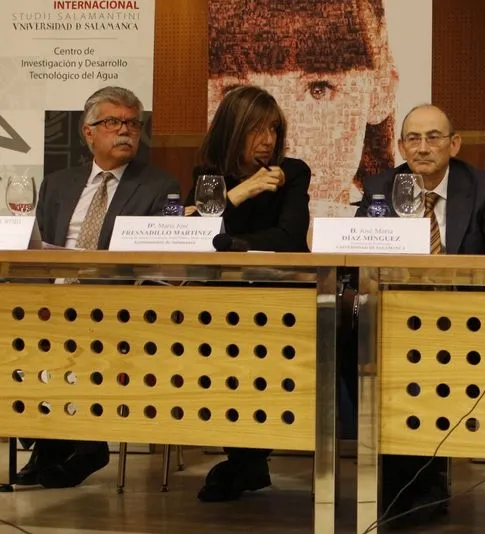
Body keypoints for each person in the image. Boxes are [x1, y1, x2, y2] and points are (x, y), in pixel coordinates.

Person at [355, 104, 485, 528]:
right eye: (413, 138)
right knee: (375, 353)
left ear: (454, 143)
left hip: (466, 322)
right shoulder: (380, 187)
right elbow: (356, 257)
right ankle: (400, 484)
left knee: (428, 361)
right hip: (395, 321)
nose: (423, 147)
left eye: (433, 137)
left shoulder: (482, 187)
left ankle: (421, 486)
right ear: (401, 145)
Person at [22, 86, 179, 489]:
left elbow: (155, 256)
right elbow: (36, 247)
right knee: (21, 333)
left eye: (132, 123)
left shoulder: (158, 185)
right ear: (88, 131)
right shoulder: (58, 184)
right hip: (52, 298)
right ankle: (49, 440)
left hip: (114, 303)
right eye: (113, 122)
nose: (125, 131)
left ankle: (82, 443)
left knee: (75, 339)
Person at [187, 85, 311, 501]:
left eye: (273, 129)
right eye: (258, 129)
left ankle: (246, 462)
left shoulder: (292, 172)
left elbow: (290, 240)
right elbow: (189, 231)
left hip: (282, 300)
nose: (268, 140)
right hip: (222, 302)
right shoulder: (209, 176)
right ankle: (246, 462)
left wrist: (230, 244)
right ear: (233, 130)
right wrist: (241, 192)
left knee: (255, 351)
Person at [207, 0, 398, 217]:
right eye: (239, 92)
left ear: (383, 87)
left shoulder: (386, 219)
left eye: (318, 89)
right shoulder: (208, 177)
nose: (279, 140)